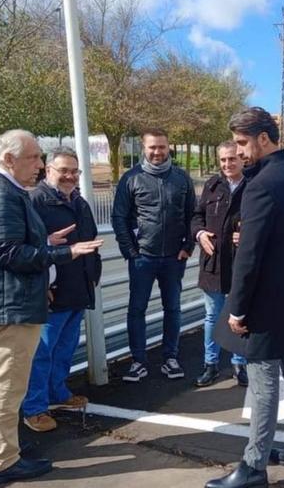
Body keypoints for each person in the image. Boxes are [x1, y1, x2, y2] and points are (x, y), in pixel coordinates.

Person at [0, 130, 102, 485]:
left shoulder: (6, 190)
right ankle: (3, 461)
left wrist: (46, 241)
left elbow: (4, 243)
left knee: (5, 384)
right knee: (7, 387)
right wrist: (65, 252)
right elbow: (7, 253)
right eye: (34, 158)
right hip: (7, 306)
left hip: (9, 303)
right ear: (9, 159)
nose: (40, 164)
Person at [205, 107, 284, 488]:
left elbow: (250, 257)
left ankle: (253, 466)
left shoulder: (261, 184)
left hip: (265, 302)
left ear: (264, 139)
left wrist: (237, 308)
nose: (238, 152)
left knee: (264, 381)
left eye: (241, 143)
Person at [22, 147, 102, 432]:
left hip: (78, 289)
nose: (69, 176)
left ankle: (58, 392)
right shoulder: (34, 201)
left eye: (74, 171)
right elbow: (24, 248)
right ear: (48, 171)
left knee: (65, 348)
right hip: (51, 293)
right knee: (41, 353)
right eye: (63, 170)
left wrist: (94, 274)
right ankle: (34, 408)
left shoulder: (79, 202)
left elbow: (90, 241)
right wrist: (41, 285)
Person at [112, 128, 196, 383]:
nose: (157, 152)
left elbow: (194, 215)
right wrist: (131, 251)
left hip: (174, 257)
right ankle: (138, 361)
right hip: (143, 258)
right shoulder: (131, 178)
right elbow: (119, 218)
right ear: (143, 149)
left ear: (169, 147)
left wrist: (188, 246)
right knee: (136, 309)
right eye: (152, 147)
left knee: (173, 308)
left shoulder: (182, 178)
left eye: (162, 147)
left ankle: (170, 358)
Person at [191, 140, 249, 388]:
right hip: (213, 261)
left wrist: (248, 234)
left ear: (242, 159)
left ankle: (239, 363)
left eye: (232, 158)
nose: (227, 164)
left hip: (241, 262)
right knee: (213, 315)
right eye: (223, 159)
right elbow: (197, 216)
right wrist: (200, 234)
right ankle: (210, 364)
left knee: (239, 315)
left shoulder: (253, 187)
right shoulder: (212, 186)